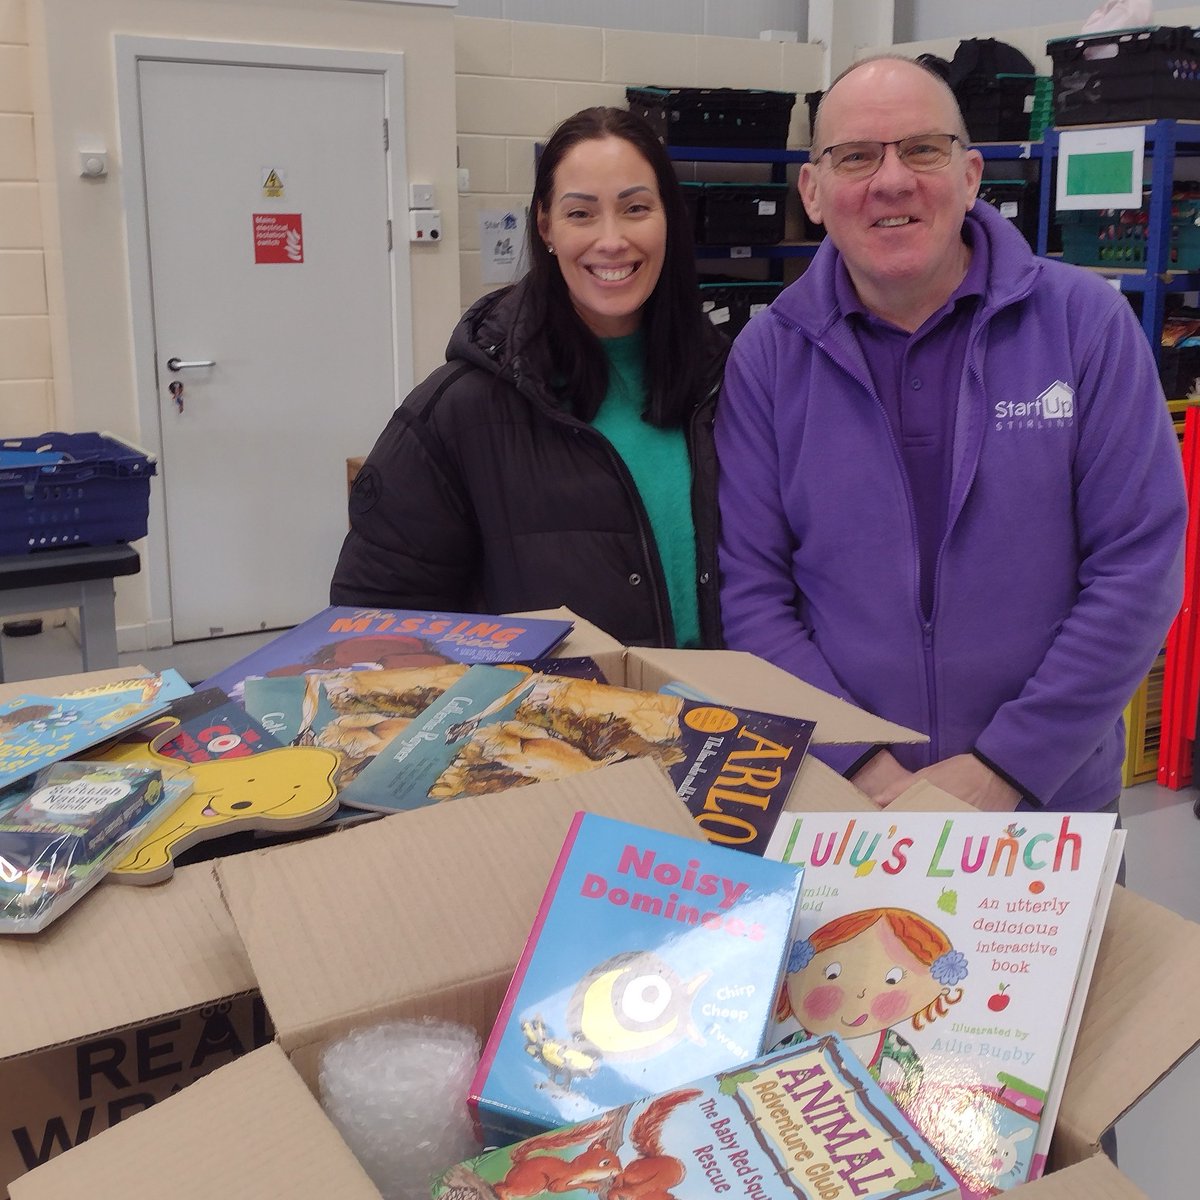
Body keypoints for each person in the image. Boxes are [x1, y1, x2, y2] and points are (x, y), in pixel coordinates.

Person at [715, 56, 1188, 814]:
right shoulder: (769, 358)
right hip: (843, 803)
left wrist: (1003, 768)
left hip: (1047, 802)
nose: (892, 180)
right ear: (812, 192)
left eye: (922, 150)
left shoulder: (1083, 326)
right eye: (856, 156)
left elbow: (1138, 569)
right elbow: (754, 596)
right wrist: (863, 766)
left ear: (971, 175)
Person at [330, 106, 729, 649]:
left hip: (726, 722)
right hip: (549, 727)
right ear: (545, 226)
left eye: (635, 208)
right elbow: (380, 621)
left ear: (668, 219)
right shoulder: (458, 411)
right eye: (581, 214)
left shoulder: (730, 385)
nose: (611, 240)